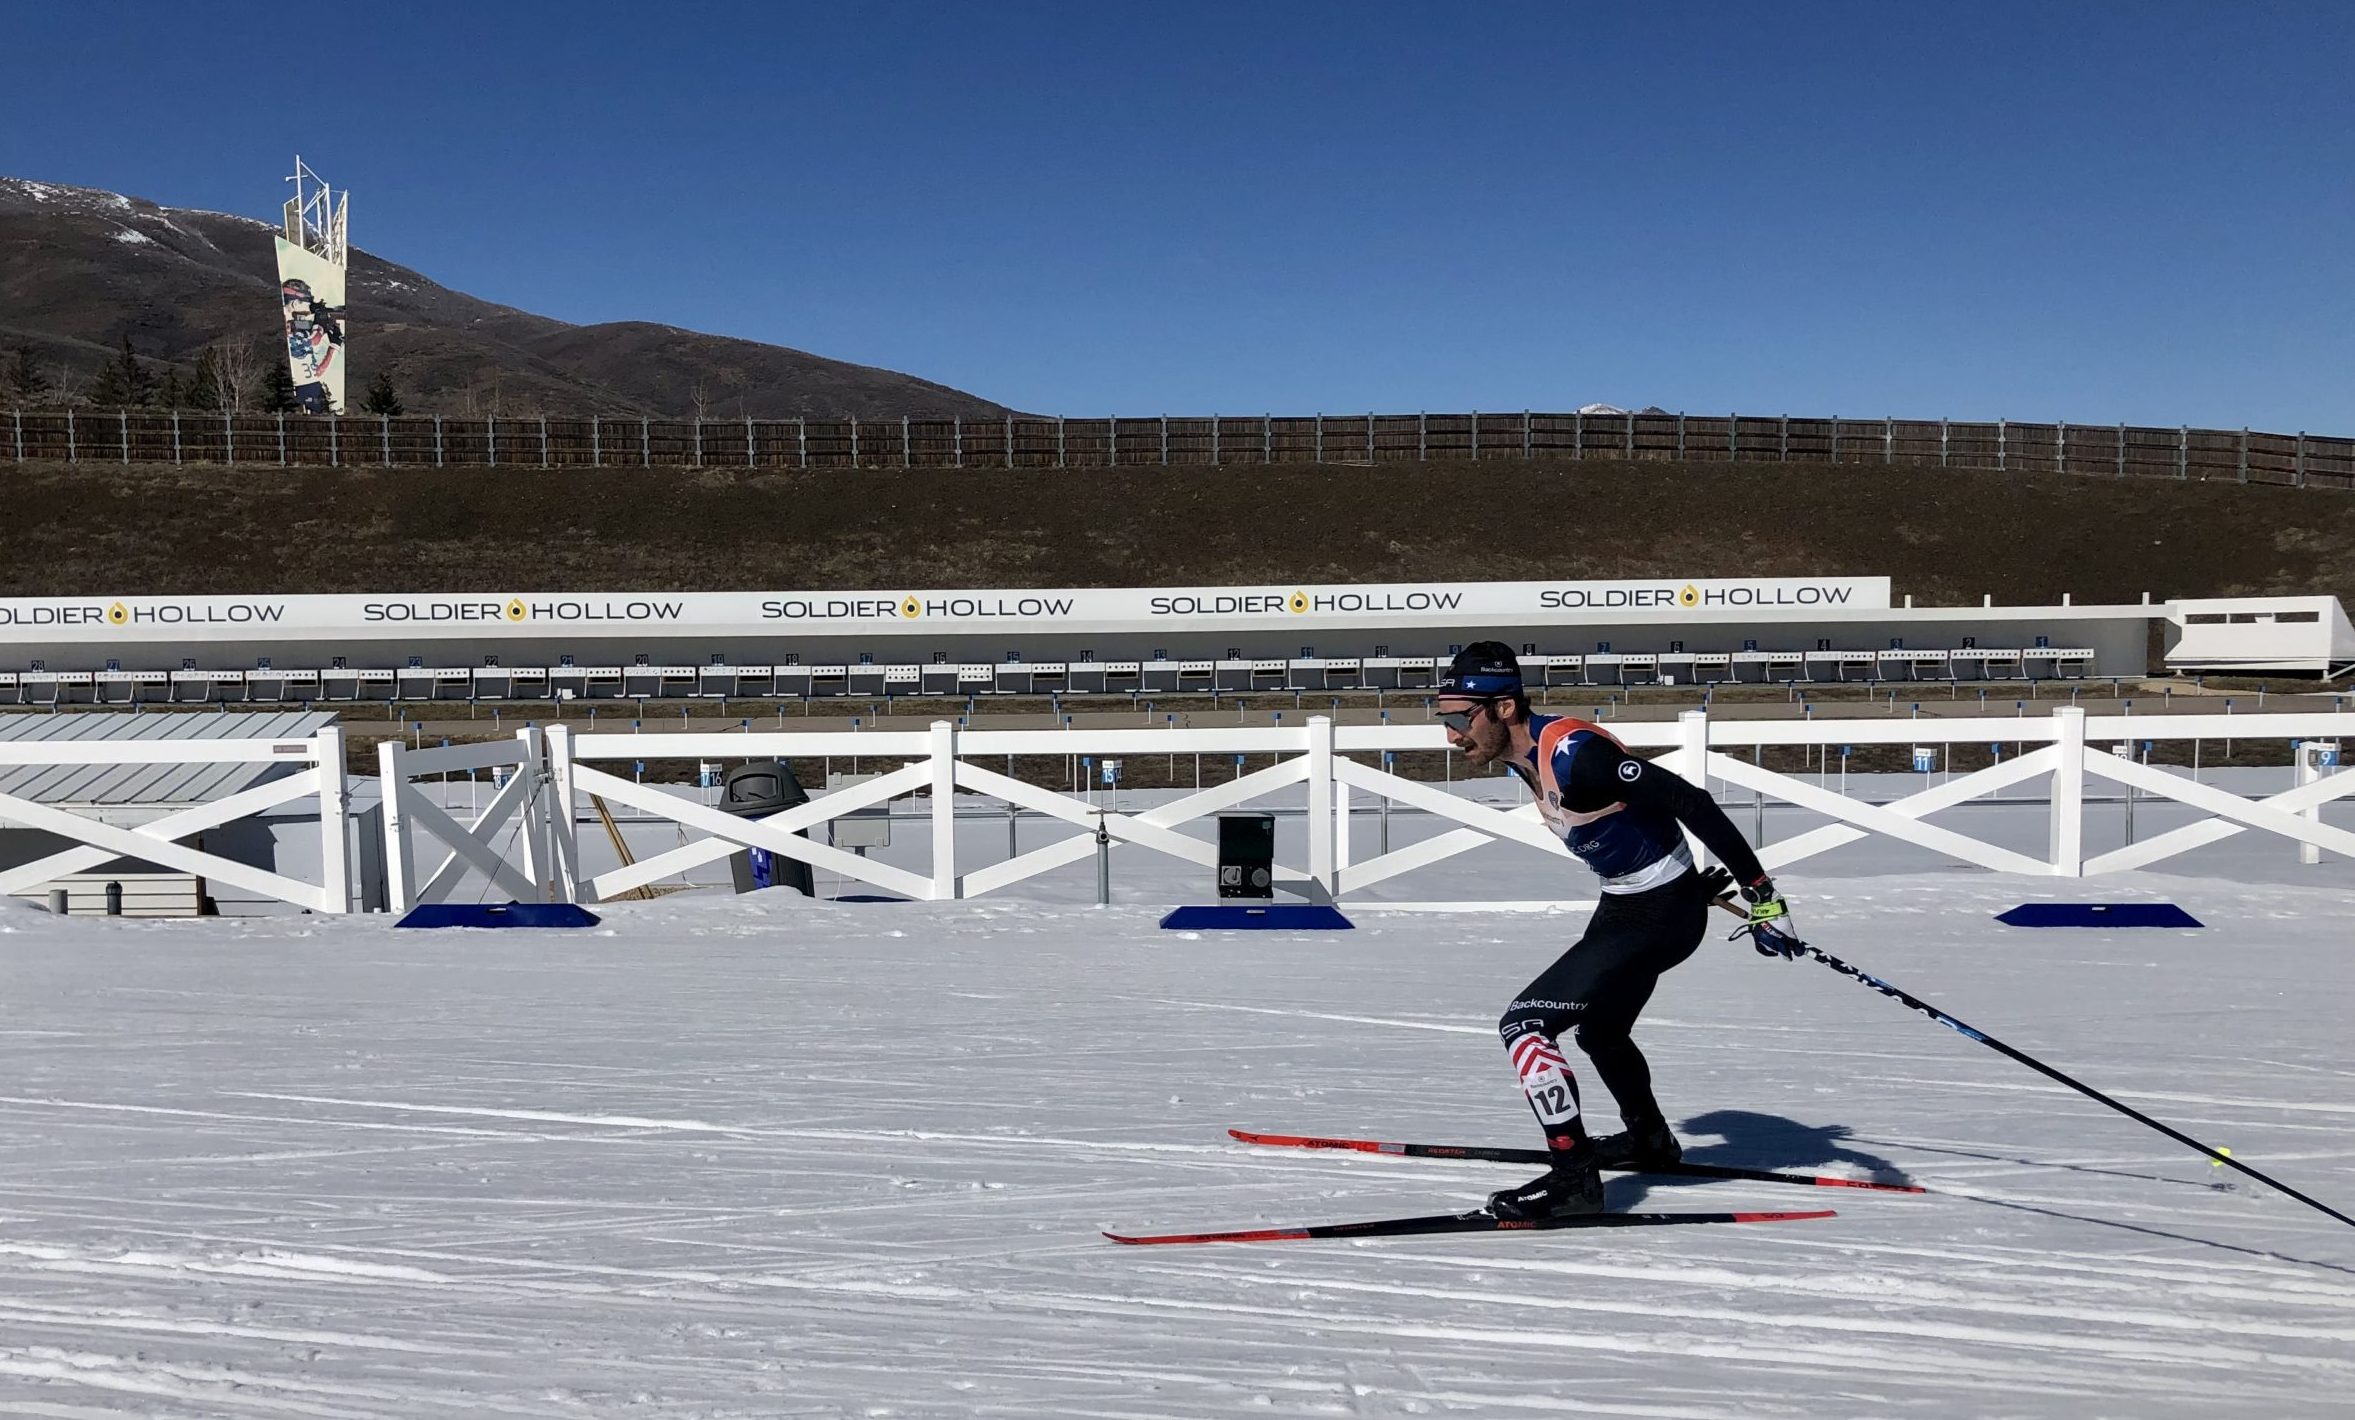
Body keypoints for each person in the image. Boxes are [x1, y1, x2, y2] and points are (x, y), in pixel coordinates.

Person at [1434, 641, 1804, 1220]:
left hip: (1657, 913)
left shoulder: (1576, 755)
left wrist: (1762, 896)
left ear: (1504, 708)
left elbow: (1690, 800)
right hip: (1635, 903)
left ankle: (1574, 1179)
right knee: (1601, 1032)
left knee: (1525, 1025)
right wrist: (1678, 870)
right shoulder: (1518, 753)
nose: (1452, 737)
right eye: (1447, 721)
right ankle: (1649, 1141)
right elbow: (1635, 819)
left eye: (1460, 719)